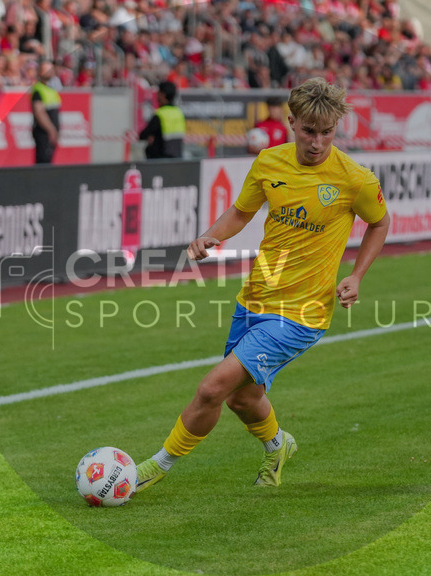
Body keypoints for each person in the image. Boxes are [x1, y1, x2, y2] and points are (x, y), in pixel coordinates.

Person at [134, 77, 391, 493]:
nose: (317, 143)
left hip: (303, 313)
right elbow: (241, 211)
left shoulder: (354, 178)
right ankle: (278, 445)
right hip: (255, 299)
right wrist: (211, 235)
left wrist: (357, 275)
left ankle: (155, 467)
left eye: (327, 133)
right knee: (242, 398)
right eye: (309, 131)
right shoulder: (269, 163)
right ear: (291, 122)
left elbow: (379, 223)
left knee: (212, 388)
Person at [138, 81, 185, 159]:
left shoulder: (161, 114)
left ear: (162, 95)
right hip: (177, 158)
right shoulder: (179, 113)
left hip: (160, 160)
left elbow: (143, 135)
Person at [31, 59, 61, 164]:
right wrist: (51, 130)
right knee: (43, 161)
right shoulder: (38, 90)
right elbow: (39, 112)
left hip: (51, 132)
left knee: (49, 160)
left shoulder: (51, 89)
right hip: (43, 132)